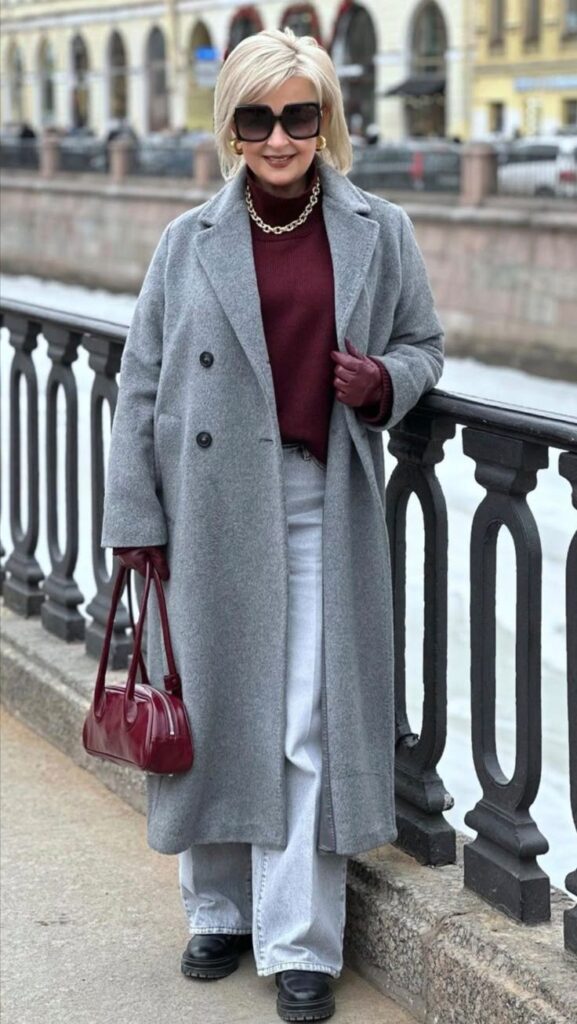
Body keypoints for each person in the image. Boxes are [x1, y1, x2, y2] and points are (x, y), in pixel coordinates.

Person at [101, 28, 443, 1023]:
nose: (280, 136)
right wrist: (134, 516)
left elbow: (423, 343)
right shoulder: (187, 241)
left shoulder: (379, 230)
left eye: (299, 115)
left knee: (299, 723)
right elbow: (140, 386)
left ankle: (299, 939)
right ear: (232, 127)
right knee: (214, 714)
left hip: (313, 500)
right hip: (207, 511)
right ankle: (218, 910)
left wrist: (386, 382)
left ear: (324, 119)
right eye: (258, 117)